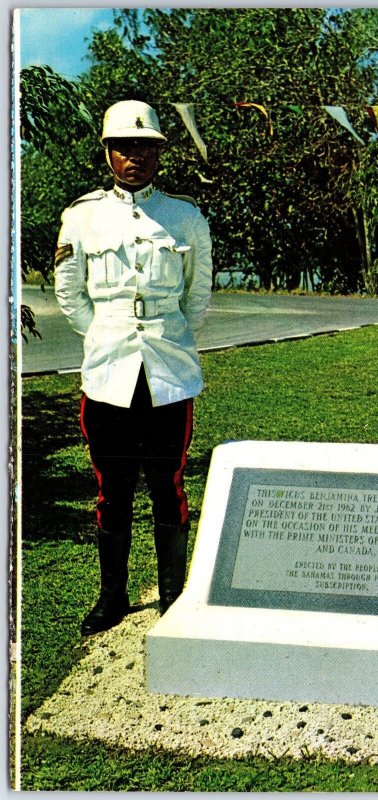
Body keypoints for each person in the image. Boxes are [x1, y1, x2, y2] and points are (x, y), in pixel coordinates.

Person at [54, 99, 213, 636]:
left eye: (145, 146)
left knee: (168, 483)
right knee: (112, 487)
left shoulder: (185, 216)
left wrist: (166, 332)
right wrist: (107, 333)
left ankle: (173, 595)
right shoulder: (82, 217)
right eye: (124, 146)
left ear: (159, 153)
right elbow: (71, 296)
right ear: (107, 152)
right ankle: (112, 597)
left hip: (168, 372)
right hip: (108, 371)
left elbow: (198, 297)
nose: (135, 156)